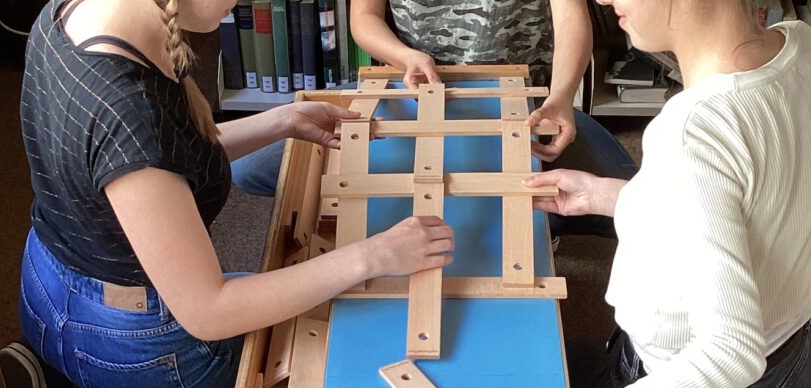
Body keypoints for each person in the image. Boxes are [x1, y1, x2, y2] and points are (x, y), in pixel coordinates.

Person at [441, 0, 811, 388]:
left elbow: (730, 354)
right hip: (796, 386)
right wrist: (612, 196)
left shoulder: (692, 129)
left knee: (557, 378)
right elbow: (733, 202)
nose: (603, 0)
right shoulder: (805, 47)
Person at [0, 0, 453, 388]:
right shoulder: (129, 114)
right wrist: (376, 254)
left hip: (41, 292)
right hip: (137, 352)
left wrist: (283, 120)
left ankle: (57, 373)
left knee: (271, 291)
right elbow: (210, 312)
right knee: (297, 330)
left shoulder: (71, 14)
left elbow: (168, 156)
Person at [235, 0, 638, 240]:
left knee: (634, 204)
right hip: (410, 92)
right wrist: (404, 56)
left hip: (524, 105)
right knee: (249, 168)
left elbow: (571, 20)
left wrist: (562, 96)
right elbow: (364, 20)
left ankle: (533, 227)